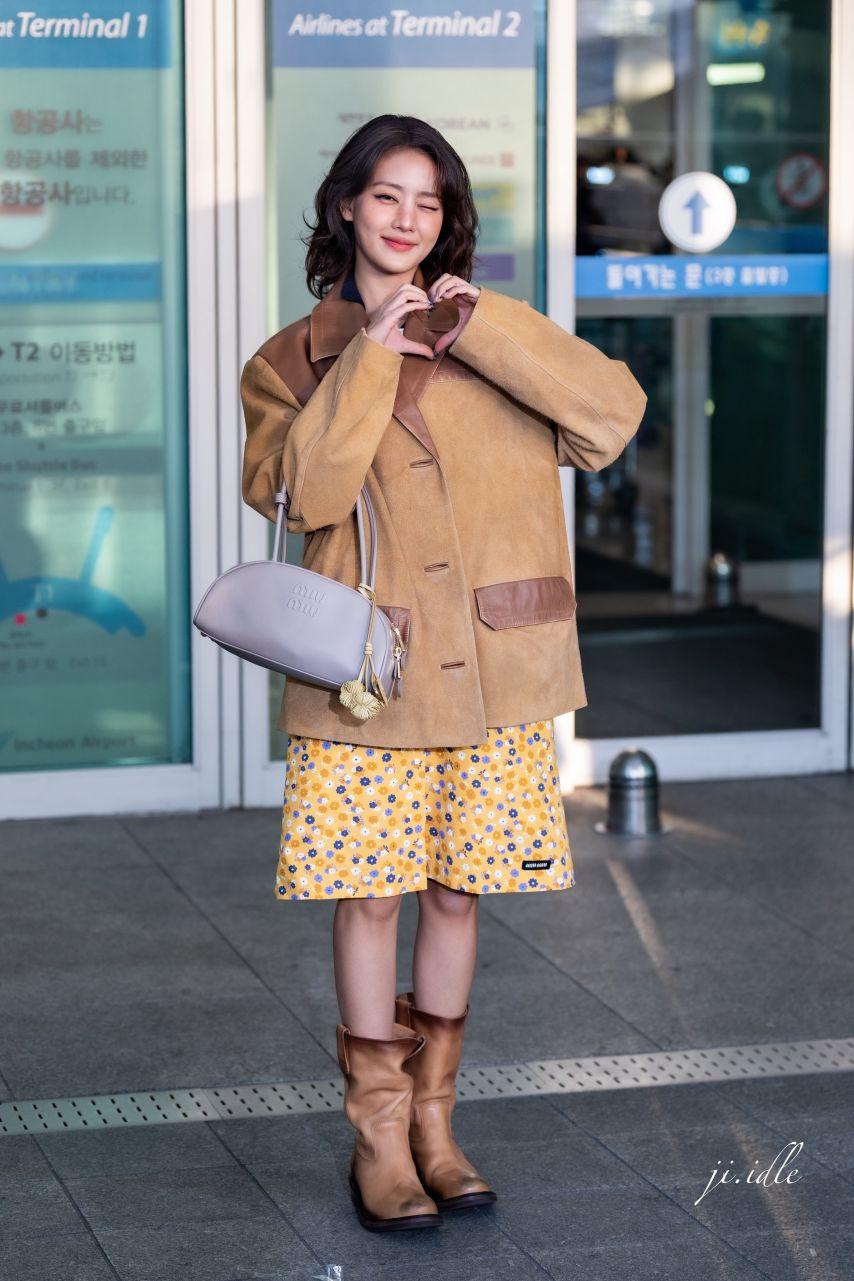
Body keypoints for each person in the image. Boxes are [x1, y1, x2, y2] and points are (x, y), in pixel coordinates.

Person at [239, 114, 647, 1234]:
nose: (406, 218)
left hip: (495, 668)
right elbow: (308, 495)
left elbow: (611, 418)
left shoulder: (491, 332)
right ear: (345, 206)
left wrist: (484, 325)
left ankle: (435, 1125)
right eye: (386, 196)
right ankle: (378, 1137)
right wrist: (372, 351)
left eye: (428, 202)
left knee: (457, 891)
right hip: (368, 676)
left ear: (447, 220)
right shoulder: (289, 361)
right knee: (371, 894)